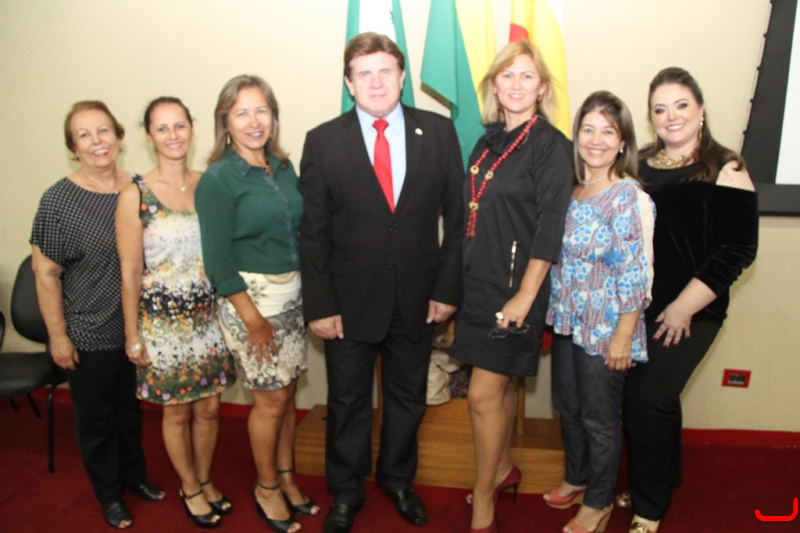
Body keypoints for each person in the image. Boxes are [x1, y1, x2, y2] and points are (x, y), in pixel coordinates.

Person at [299, 32, 463, 533]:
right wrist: (319, 305)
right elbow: (313, 233)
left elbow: (458, 221)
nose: (376, 82)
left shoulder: (439, 132)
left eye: (385, 71)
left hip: (418, 299)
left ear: (402, 76)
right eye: (364, 74)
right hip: (347, 303)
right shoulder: (323, 141)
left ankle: (397, 480)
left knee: (408, 399)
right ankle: (347, 491)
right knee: (347, 401)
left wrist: (447, 290)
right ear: (349, 83)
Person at [619, 67, 758, 533]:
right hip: (639, 308)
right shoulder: (640, 164)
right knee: (647, 399)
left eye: (681, 105)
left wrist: (682, 307)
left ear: (700, 110)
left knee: (648, 396)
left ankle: (649, 506)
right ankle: (661, 476)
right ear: (651, 117)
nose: (671, 116)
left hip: (693, 312)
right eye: (660, 109)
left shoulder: (726, 167)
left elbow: (737, 250)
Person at [448, 41, 573, 533]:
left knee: (481, 395)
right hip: (479, 284)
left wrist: (525, 295)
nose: (516, 84)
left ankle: (484, 495)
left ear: (541, 89)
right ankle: (501, 469)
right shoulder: (486, 143)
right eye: (507, 75)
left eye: (527, 76)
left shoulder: (551, 145)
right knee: (496, 390)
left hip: (519, 288)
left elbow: (550, 226)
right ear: (494, 86)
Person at [30, 101, 165, 530]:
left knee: (130, 412)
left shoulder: (140, 187)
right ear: (73, 148)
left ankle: (134, 477)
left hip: (136, 329)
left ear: (120, 136)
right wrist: (59, 336)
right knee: (97, 421)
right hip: (88, 331)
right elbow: (45, 273)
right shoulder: (58, 201)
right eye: (84, 135)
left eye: (104, 130)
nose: (97, 142)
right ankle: (109, 495)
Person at [195, 75, 318, 533]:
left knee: (286, 395)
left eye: (261, 110)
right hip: (248, 303)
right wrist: (253, 320)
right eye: (241, 112)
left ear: (274, 116)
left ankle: (285, 478)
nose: (253, 121)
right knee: (270, 401)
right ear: (225, 122)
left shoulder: (282, 167)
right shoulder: (218, 179)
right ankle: (266, 488)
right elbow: (218, 261)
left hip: (292, 298)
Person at [116, 97, 237, 528]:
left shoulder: (209, 185)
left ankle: (204, 479)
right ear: (149, 137)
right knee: (178, 411)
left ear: (192, 128)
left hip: (209, 318)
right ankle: (189, 487)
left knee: (210, 409)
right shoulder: (136, 194)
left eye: (180, 125)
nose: (173, 135)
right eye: (162, 128)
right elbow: (130, 271)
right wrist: (132, 335)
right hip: (162, 325)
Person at [543, 91, 655, 533]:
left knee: (599, 419)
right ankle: (577, 476)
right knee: (568, 407)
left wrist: (623, 336)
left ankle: (599, 500)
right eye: (588, 129)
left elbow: (636, 273)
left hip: (606, 328)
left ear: (623, 141)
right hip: (569, 320)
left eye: (608, 131)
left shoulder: (627, 195)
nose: (596, 139)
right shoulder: (573, 188)